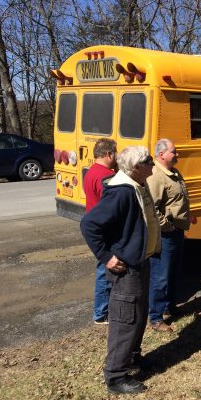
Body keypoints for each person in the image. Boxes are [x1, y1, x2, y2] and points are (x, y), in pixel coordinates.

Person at [80, 146, 160, 395]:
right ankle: (115, 375)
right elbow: (89, 224)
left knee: (138, 314)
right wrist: (106, 257)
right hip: (126, 269)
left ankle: (133, 358)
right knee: (125, 320)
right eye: (148, 161)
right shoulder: (122, 192)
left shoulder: (138, 184)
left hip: (140, 262)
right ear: (136, 167)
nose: (153, 165)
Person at [146, 139, 197, 332]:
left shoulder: (174, 172)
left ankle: (169, 307)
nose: (177, 155)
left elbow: (177, 200)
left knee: (174, 272)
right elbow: (151, 207)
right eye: (174, 152)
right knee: (161, 276)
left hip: (177, 231)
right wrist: (166, 226)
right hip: (166, 234)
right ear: (161, 154)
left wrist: (187, 216)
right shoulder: (156, 176)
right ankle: (156, 317)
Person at [83, 137, 117, 325]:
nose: (117, 156)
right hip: (105, 228)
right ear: (108, 154)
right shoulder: (105, 176)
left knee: (103, 268)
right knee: (105, 269)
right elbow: (111, 204)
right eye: (115, 152)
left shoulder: (91, 172)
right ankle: (101, 313)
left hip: (96, 224)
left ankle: (102, 310)